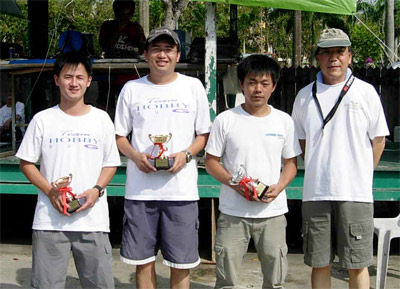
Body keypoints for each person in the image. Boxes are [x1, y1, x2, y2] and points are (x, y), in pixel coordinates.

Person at [291, 28, 389, 289]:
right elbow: (303, 143)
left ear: (349, 56)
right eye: (327, 52)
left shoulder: (366, 92)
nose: (333, 58)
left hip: (355, 193)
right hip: (315, 192)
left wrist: (361, 173)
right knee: (319, 262)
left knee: (357, 263)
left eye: (340, 52)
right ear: (317, 58)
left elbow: (378, 140)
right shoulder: (303, 97)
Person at [114, 27, 211, 289]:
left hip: (181, 192)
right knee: (143, 261)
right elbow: (119, 136)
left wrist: (186, 155)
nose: (162, 55)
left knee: (181, 263)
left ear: (178, 55)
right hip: (140, 192)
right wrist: (136, 157)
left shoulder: (193, 87)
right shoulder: (132, 89)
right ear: (145, 54)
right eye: (156, 49)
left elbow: (203, 134)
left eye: (169, 49)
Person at [16, 51, 121, 289]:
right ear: (57, 80)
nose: (74, 83)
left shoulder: (102, 119)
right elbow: (26, 163)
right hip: (50, 222)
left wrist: (96, 190)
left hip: (93, 221)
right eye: (68, 76)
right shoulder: (43, 119)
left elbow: (111, 163)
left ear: (88, 81)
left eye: (80, 77)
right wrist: (51, 191)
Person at [205, 54, 302, 289]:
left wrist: (279, 187)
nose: (258, 89)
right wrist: (234, 184)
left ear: (274, 87)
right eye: (252, 82)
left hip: (272, 212)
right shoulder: (225, 120)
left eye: (264, 83)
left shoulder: (284, 121)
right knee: (227, 277)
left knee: (275, 278)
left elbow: (291, 164)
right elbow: (211, 162)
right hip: (233, 212)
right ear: (242, 85)